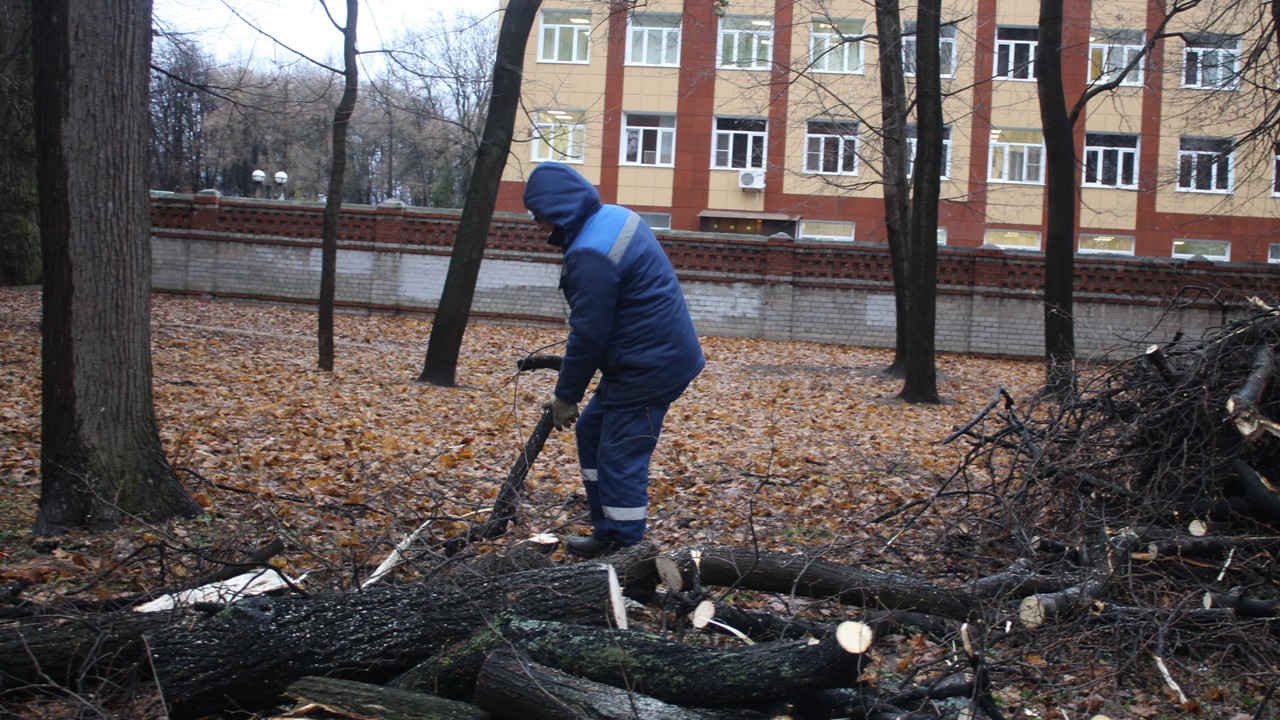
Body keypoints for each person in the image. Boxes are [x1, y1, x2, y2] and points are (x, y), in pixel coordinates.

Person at [523, 162, 704, 558]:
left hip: (649, 365)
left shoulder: (591, 252)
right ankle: (606, 528)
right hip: (649, 354)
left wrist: (566, 395)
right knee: (591, 431)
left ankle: (624, 551)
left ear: (559, 212)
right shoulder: (613, 216)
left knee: (620, 452)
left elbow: (589, 333)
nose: (539, 229)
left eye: (540, 220)